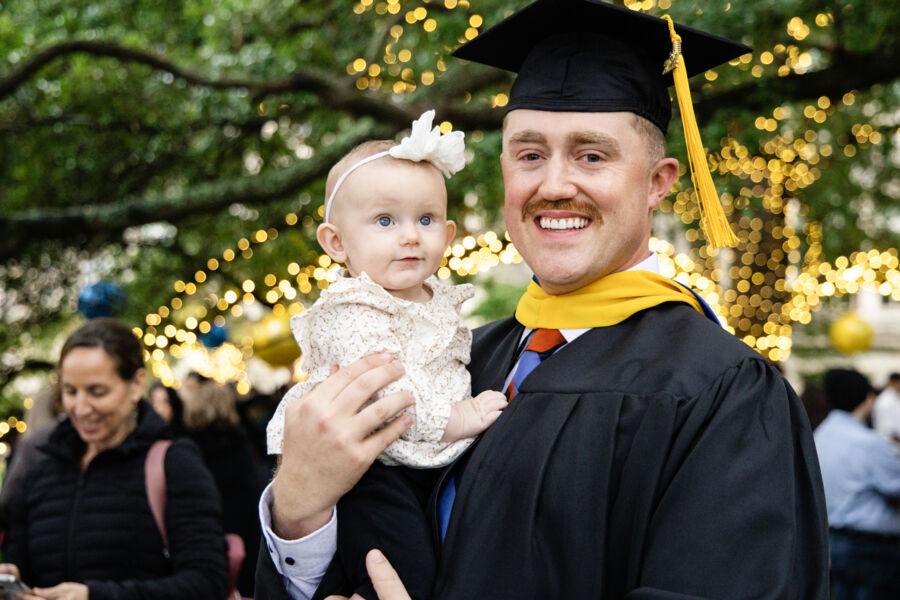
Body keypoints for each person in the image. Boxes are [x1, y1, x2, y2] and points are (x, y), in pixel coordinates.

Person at [255, 1, 829, 598]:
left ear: (659, 181)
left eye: (592, 155)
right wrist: (298, 512)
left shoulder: (723, 393)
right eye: (530, 155)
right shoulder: (460, 360)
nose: (554, 186)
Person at [265, 109, 508, 598]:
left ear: (450, 233)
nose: (410, 235)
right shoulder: (353, 310)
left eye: (426, 219)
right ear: (335, 243)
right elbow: (390, 396)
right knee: (401, 572)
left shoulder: (437, 300)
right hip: (371, 468)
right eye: (384, 220)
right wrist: (461, 416)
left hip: (426, 463)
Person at [0, 318, 227, 599]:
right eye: (70, 392)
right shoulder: (42, 465)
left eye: (97, 392)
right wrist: (14, 580)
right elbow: (23, 563)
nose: (81, 408)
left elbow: (206, 583)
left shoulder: (174, 463)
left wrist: (94, 596)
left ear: (135, 385)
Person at [814, 368, 900, 599]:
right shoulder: (867, 444)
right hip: (871, 550)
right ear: (868, 399)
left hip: (832, 542)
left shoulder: (820, 435)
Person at [181, 378, 266, 597]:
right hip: (241, 538)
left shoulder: (185, 449)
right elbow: (251, 495)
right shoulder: (240, 445)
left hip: (199, 539)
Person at [873, 372, 900, 447]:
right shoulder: (885, 401)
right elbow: (888, 430)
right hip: (889, 445)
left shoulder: (895, 397)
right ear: (894, 382)